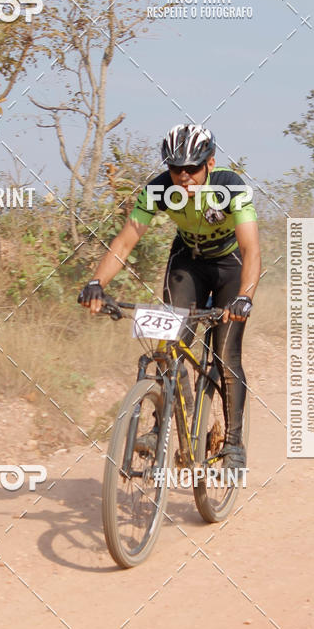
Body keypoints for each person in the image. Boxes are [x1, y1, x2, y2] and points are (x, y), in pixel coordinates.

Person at [78, 123, 261, 471]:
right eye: (176, 169)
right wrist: (96, 282)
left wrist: (244, 297)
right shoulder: (159, 189)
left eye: (192, 168)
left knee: (225, 352)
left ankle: (234, 444)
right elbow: (125, 242)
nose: (184, 177)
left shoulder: (231, 187)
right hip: (188, 263)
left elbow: (252, 249)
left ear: (210, 163)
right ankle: (159, 427)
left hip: (230, 265)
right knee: (168, 343)